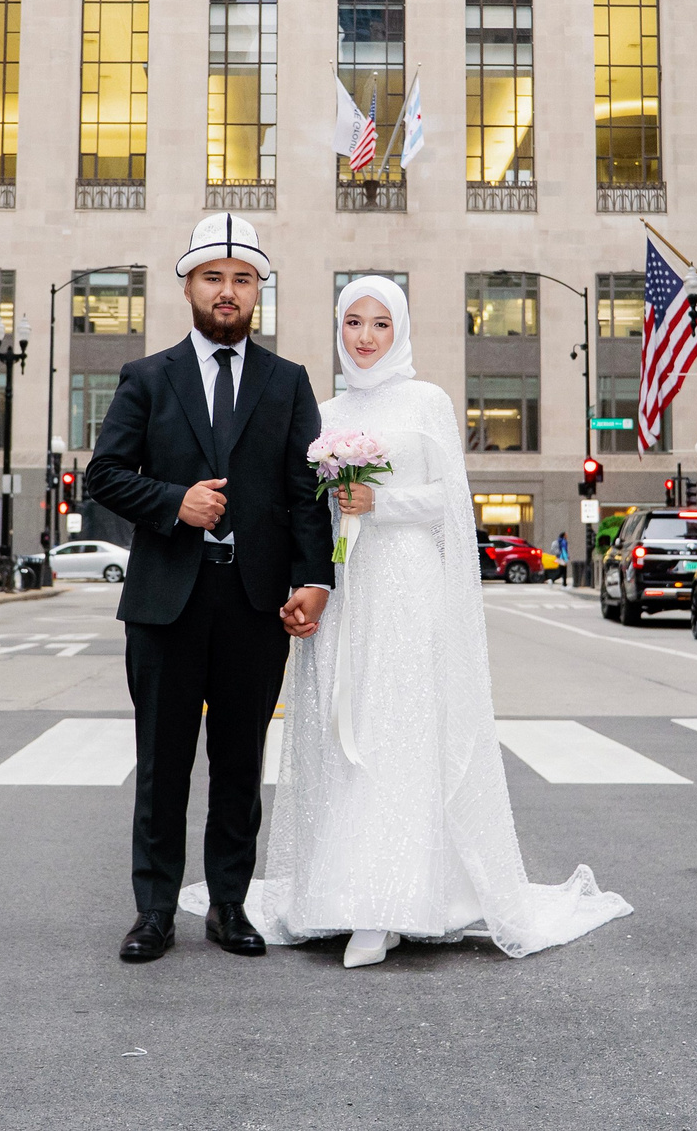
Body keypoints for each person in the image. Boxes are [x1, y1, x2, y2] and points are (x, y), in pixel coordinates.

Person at [188, 275, 630, 967]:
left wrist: (380, 503)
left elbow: (451, 506)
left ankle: (395, 900)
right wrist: (306, 573)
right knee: (343, 730)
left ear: (400, 331)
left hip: (407, 585)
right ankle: (334, 892)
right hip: (345, 588)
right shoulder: (323, 409)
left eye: (380, 324)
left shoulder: (428, 402)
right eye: (353, 322)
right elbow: (301, 506)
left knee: (401, 730)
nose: (365, 337)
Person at [84, 213, 332, 964]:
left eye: (242, 279)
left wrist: (314, 579)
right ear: (188, 287)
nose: (227, 291)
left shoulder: (288, 382)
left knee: (239, 764)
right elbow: (104, 476)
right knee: (161, 765)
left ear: (259, 292)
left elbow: (306, 494)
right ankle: (154, 912)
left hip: (255, 604)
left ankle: (229, 905)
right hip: (167, 602)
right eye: (213, 278)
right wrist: (174, 502)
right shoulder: (147, 378)